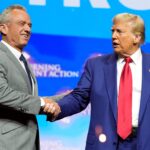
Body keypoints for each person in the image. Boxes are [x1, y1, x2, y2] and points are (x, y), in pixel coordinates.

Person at [48, 13, 150, 150]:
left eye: (119, 31)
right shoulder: (96, 66)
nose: (114, 36)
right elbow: (79, 98)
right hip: (104, 144)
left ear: (136, 37)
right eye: (112, 31)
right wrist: (58, 107)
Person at [0, 5, 61, 150]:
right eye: (21, 24)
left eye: (29, 25)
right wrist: (41, 103)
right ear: (3, 28)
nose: (28, 29)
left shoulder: (23, 61)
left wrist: (72, 96)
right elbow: (2, 93)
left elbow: (30, 101)